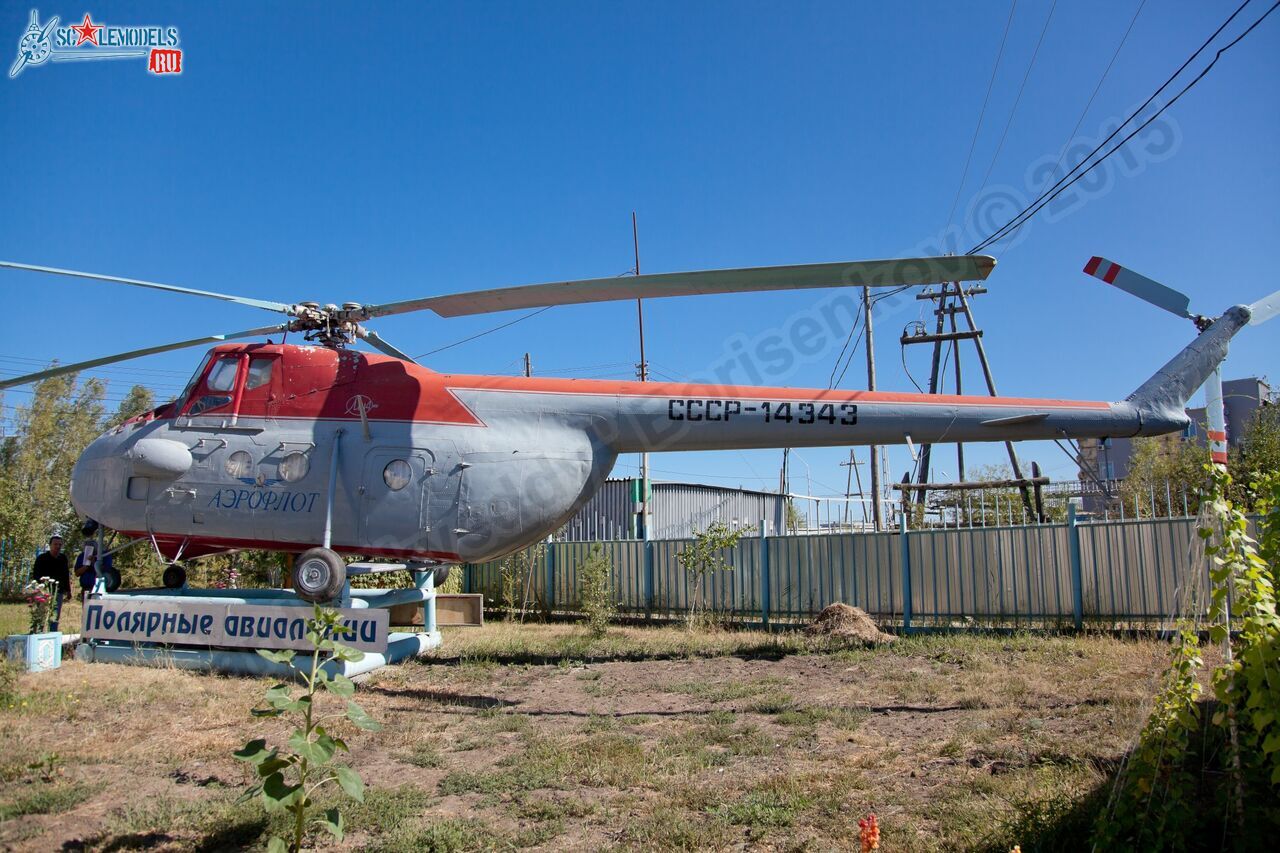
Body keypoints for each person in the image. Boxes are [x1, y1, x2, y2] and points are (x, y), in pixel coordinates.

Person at [32, 534, 71, 632]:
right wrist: (39, 589)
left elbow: (66, 574)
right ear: (50, 545)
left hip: (58, 591)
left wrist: (68, 590)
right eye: (55, 544)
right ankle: (39, 633)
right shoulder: (42, 558)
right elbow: (36, 575)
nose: (58, 546)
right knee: (42, 615)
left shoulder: (63, 558)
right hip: (44, 591)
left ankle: (52, 635)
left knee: (55, 616)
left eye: (60, 545)